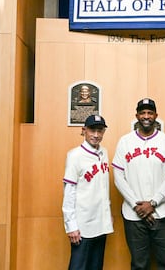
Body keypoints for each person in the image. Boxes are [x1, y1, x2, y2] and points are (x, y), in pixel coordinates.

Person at [112, 98, 165, 270]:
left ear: (156, 116)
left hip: (163, 214)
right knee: (139, 264)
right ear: (137, 116)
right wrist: (138, 206)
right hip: (133, 215)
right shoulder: (125, 141)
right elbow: (118, 176)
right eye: (142, 113)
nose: (146, 116)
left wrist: (153, 203)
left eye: (150, 113)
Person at [62, 115, 113, 270]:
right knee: (78, 267)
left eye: (100, 130)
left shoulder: (104, 152)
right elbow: (69, 192)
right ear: (84, 130)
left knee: (96, 266)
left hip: (100, 223)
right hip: (82, 225)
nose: (96, 135)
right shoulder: (75, 156)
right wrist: (71, 225)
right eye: (92, 130)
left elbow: (103, 187)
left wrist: (107, 212)